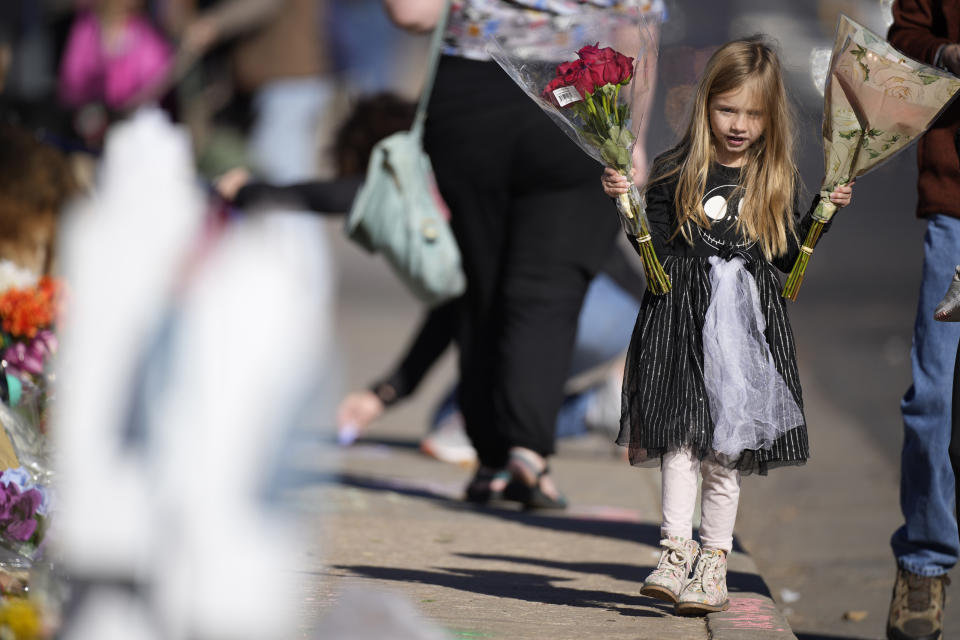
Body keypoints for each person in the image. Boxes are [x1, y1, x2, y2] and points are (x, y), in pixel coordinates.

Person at [602, 38, 854, 615]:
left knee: (723, 452)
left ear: (771, 118)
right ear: (705, 105)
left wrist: (823, 212)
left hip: (741, 335)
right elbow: (657, 258)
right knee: (679, 444)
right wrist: (628, 206)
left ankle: (713, 563)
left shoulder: (775, 179)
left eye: (754, 114)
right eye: (727, 110)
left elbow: (788, 259)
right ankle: (673, 551)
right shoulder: (673, 170)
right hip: (679, 329)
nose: (739, 125)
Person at [383, 0, 664, 510]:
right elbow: (634, 26)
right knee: (550, 290)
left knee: (481, 278)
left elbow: (412, 14)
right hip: (581, 88)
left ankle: (488, 456)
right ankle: (528, 454)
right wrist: (634, 138)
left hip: (471, 96)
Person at [884, 2, 960, 638]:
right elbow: (903, 34)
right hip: (957, 209)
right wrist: (947, 56)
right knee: (936, 395)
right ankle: (926, 561)